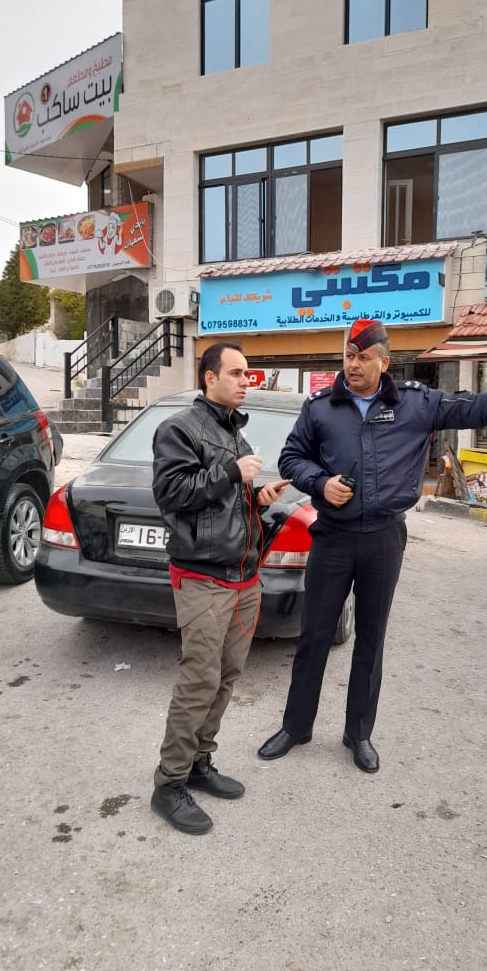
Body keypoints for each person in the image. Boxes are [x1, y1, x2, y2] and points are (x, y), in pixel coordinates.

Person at [257, 318, 487, 774]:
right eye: (349, 356)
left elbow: (479, 407)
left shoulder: (417, 403)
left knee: (371, 639)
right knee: (314, 635)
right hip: (332, 536)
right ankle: (296, 727)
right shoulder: (320, 408)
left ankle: (359, 733)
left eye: (363, 358)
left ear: (384, 362)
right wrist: (320, 482)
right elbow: (291, 457)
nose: (353, 365)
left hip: (383, 538)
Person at [150, 342, 291, 834]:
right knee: (199, 680)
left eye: (248, 374)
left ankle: (198, 762)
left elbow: (227, 501)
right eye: (236, 373)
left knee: (227, 675)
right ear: (209, 377)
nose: (245, 381)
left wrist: (258, 495)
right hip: (203, 578)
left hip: (243, 576)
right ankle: (169, 783)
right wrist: (231, 472)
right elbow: (171, 493)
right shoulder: (180, 429)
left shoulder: (234, 431)